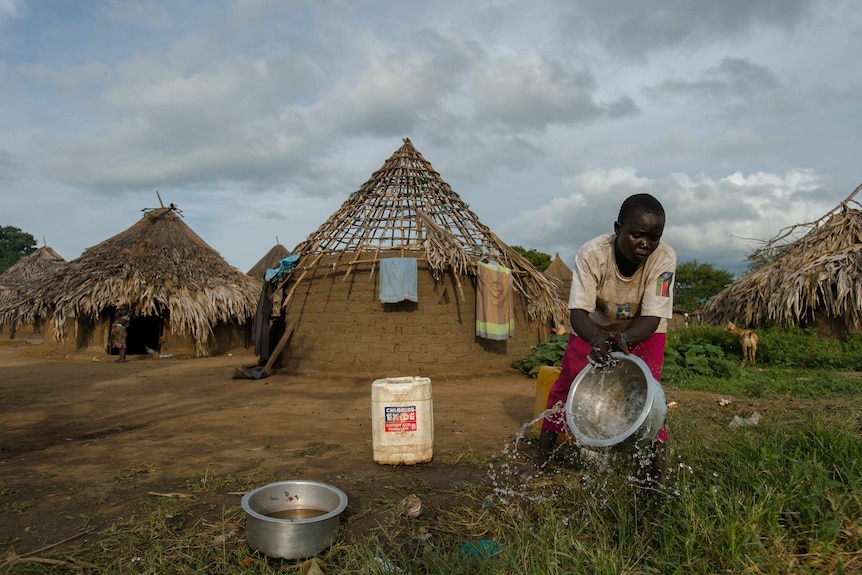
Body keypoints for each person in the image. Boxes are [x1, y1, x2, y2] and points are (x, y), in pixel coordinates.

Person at [530, 193, 676, 485]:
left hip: (643, 329)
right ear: (618, 228)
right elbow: (578, 313)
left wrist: (625, 338)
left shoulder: (664, 258)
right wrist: (598, 341)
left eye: (654, 236)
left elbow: (653, 317)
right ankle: (541, 461)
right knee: (567, 385)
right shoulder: (592, 254)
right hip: (592, 327)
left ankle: (655, 475)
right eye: (637, 235)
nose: (646, 244)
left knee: (650, 394)